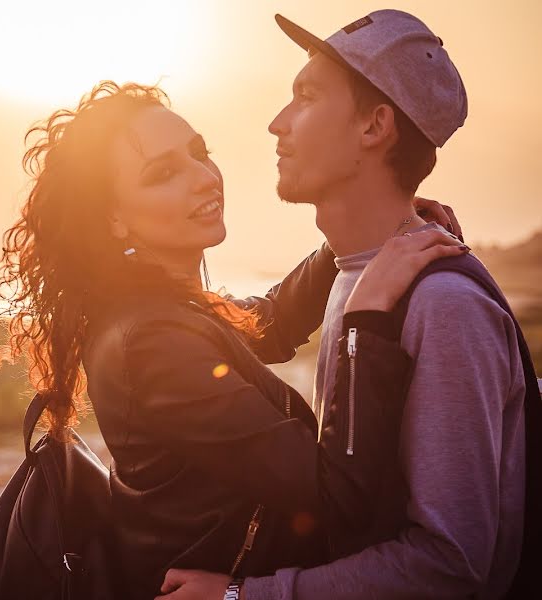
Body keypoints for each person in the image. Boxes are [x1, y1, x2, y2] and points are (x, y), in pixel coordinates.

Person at [0, 79, 467, 600]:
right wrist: (366, 320)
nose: (202, 179)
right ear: (114, 219)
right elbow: (338, 499)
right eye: (163, 174)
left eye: (199, 154)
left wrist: (358, 237)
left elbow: (269, 322)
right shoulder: (150, 342)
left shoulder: (164, 307)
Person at [158, 10, 534, 600]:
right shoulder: (358, 276)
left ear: (374, 127)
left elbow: (453, 566)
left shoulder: (444, 305)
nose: (276, 123)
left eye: (305, 97)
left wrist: (242, 597)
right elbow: (259, 326)